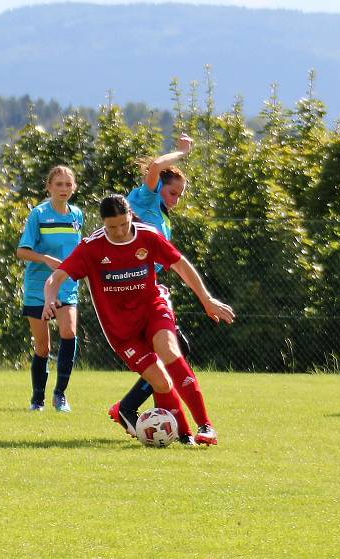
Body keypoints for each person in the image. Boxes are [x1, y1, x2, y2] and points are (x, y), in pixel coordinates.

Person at [41, 194, 234, 446]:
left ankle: (206, 426)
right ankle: (185, 436)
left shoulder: (147, 235)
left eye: (123, 223)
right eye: (112, 227)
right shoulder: (92, 247)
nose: (119, 231)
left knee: (170, 351)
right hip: (121, 330)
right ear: (103, 223)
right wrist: (49, 299)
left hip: (153, 309)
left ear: (131, 215)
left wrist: (207, 300)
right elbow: (55, 278)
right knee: (161, 382)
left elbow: (181, 264)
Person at [118, 134, 202, 439]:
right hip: (129, 291)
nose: (175, 198)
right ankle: (131, 409)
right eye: (172, 191)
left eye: (180, 195)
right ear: (159, 187)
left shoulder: (165, 221)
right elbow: (154, 165)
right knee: (170, 354)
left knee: (175, 352)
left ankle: (129, 408)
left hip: (149, 289)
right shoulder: (146, 198)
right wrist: (180, 153)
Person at [16, 166, 84, 412]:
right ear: (49, 187)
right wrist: (45, 258)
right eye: (59, 184)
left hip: (66, 285)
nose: (64, 189)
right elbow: (21, 251)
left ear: (74, 187)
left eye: (68, 184)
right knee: (43, 347)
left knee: (69, 331)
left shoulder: (77, 215)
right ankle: (37, 399)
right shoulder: (39, 214)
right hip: (37, 288)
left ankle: (60, 395)